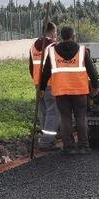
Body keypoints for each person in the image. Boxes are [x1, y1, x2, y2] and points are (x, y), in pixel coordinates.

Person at [39, 26, 99, 155]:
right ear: (73, 36)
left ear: (61, 36)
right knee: (81, 118)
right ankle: (83, 146)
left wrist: (42, 88)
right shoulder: (82, 51)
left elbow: (45, 73)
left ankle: (69, 147)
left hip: (61, 91)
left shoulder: (53, 52)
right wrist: (95, 86)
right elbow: (92, 72)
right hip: (79, 91)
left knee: (65, 118)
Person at [29, 22, 59, 151]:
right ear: (52, 32)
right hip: (50, 83)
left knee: (43, 111)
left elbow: (31, 67)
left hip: (37, 83)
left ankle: (45, 137)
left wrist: (37, 81)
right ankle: (48, 141)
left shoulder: (33, 46)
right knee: (53, 112)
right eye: (55, 33)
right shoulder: (53, 46)